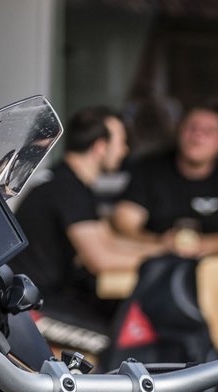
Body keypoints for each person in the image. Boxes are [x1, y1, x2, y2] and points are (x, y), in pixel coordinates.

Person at [13, 106, 158, 354]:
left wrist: (161, 247)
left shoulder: (70, 183)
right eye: (121, 142)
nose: (125, 150)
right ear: (100, 146)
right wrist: (160, 257)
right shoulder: (67, 189)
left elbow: (108, 241)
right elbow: (100, 259)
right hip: (29, 309)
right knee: (118, 344)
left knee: (125, 320)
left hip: (48, 297)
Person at [111, 103, 218, 257]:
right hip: (159, 264)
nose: (197, 136)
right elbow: (123, 225)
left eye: (208, 131)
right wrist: (160, 242)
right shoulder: (149, 169)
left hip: (215, 269)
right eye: (191, 127)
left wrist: (207, 245)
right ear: (178, 131)